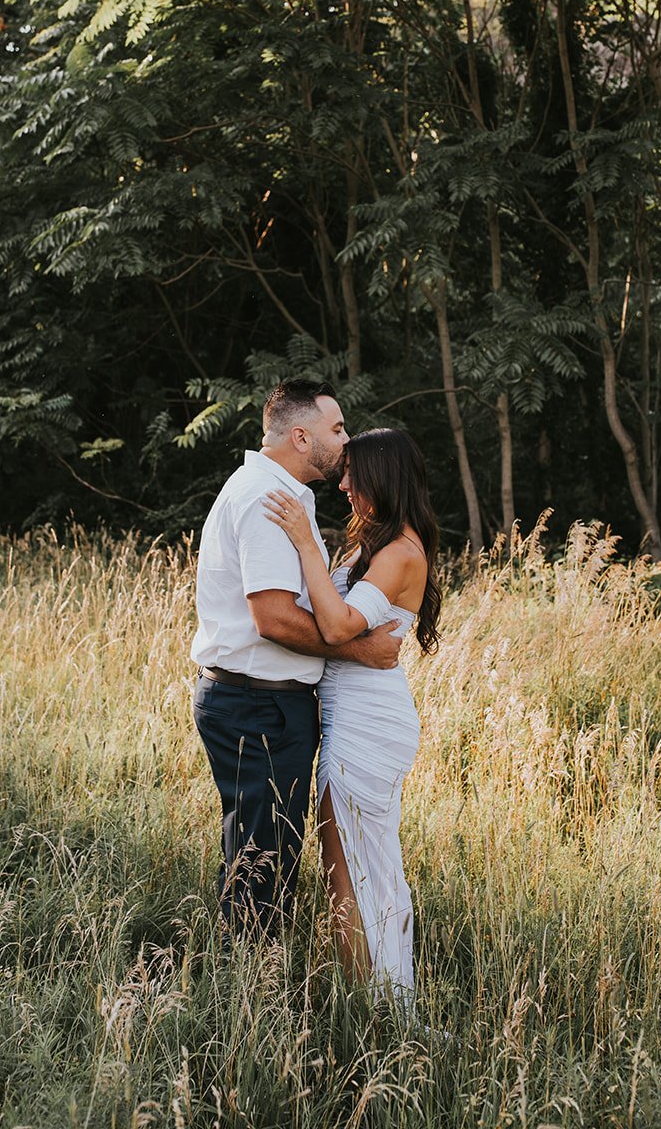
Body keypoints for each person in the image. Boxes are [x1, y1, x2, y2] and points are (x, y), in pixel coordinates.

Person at [192, 379, 403, 938]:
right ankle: (248, 1001)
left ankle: (254, 987)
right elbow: (274, 619)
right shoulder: (268, 500)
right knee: (262, 859)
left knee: (270, 848)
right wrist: (363, 649)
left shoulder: (280, 493)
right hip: (256, 703)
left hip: (263, 703)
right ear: (303, 437)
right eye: (337, 429)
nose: (346, 438)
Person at [263, 426, 441, 999]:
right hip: (349, 714)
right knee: (361, 867)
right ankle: (387, 998)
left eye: (352, 476)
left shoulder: (400, 552)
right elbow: (333, 618)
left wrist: (304, 542)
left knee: (348, 873)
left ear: (380, 478)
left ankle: (373, 1009)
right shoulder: (375, 545)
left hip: (368, 720)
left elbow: (338, 625)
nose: (342, 484)